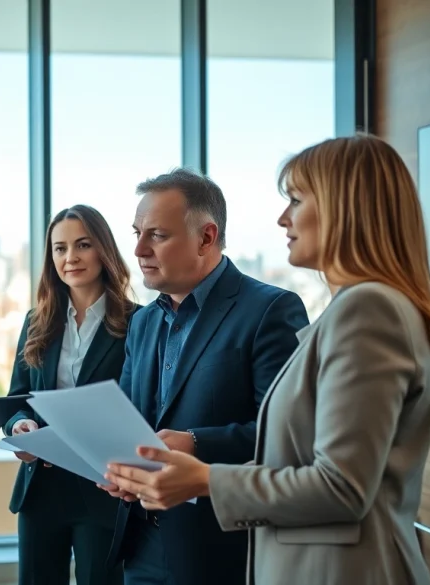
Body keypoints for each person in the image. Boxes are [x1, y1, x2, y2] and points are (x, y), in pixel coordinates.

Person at [106, 135, 430, 585]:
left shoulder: (369, 310)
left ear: (343, 208)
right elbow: (297, 458)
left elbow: (340, 487)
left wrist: (204, 478)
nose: (282, 217)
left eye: (296, 199)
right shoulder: (357, 308)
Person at [100, 168, 310, 585]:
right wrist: (118, 467)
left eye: (156, 235)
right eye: (136, 233)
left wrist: (196, 443)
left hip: (223, 551)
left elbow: (288, 439)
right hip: (140, 544)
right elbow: (125, 420)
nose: (139, 249)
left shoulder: (271, 311)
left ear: (206, 237)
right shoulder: (142, 323)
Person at [2, 205, 139, 585]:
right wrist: (20, 428)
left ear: (104, 251)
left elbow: (141, 406)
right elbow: (16, 401)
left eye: (82, 245)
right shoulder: (37, 321)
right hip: (42, 489)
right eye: (59, 249)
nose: (70, 257)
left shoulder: (137, 322)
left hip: (104, 488)